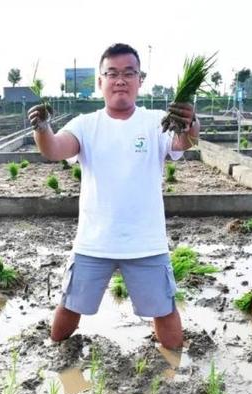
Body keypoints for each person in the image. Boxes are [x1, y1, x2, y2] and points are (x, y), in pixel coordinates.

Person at [28, 43, 200, 349]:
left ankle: (174, 367)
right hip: (94, 241)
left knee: (164, 311)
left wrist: (190, 123)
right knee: (69, 307)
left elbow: (183, 141)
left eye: (128, 73)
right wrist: (42, 127)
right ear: (100, 81)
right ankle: (54, 354)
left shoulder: (155, 121)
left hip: (146, 242)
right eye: (112, 73)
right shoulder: (85, 125)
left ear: (139, 80)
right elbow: (53, 149)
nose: (120, 80)